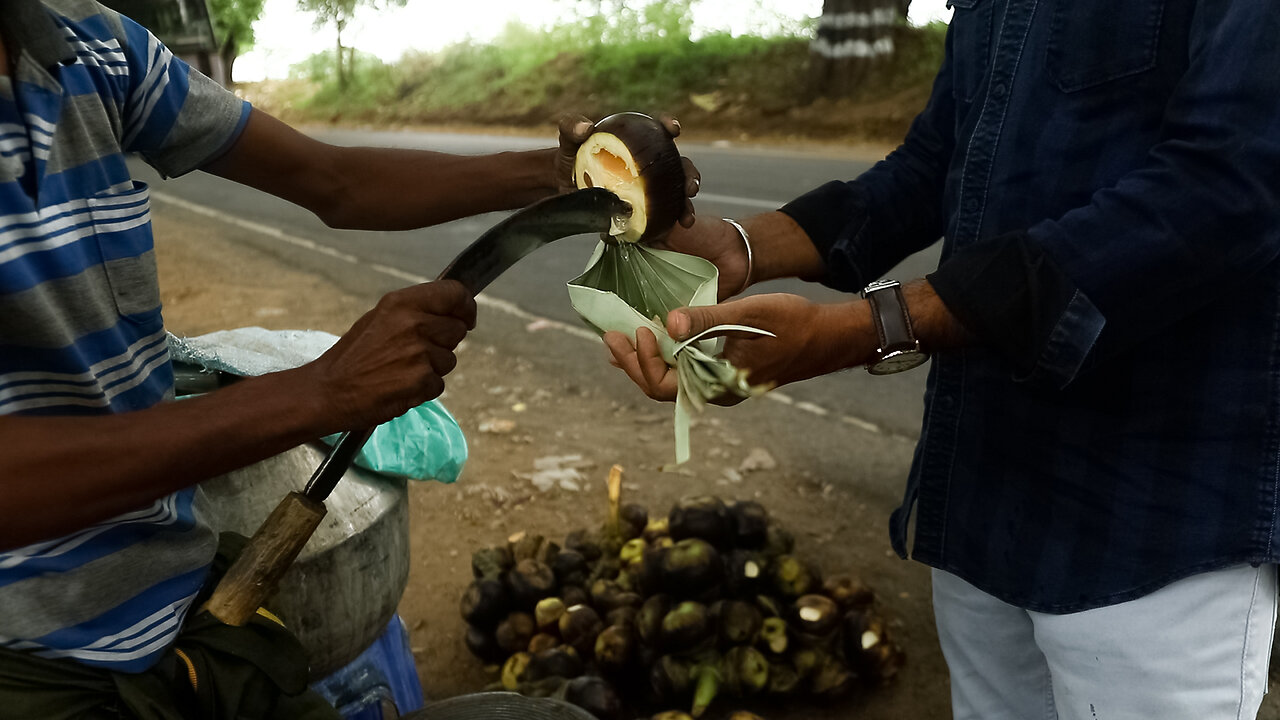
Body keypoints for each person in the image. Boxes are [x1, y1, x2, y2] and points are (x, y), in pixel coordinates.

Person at [0, 0, 696, 716]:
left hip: (179, 601)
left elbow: (335, 180)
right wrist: (319, 392)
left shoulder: (94, 48)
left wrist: (556, 176)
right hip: (30, 662)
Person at [606, 1, 1280, 718]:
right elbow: (936, 163)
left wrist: (861, 329)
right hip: (982, 492)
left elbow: (1234, 185)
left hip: (1150, 517)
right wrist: (740, 245)